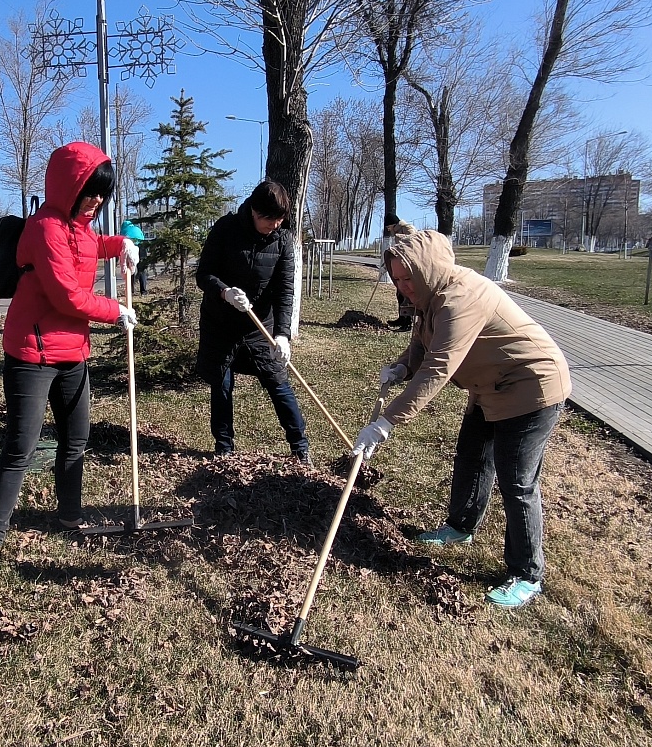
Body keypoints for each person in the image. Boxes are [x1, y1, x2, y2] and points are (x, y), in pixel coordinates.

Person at [351, 230, 571, 609]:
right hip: (490, 387)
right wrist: (402, 367)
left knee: (517, 483)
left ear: (428, 270)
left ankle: (527, 573)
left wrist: (387, 422)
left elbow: (438, 366)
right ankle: (461, 526)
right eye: (397, 280)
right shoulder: (430, 295)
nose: (403, 288)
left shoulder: (460, 299)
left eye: (408, 279)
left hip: (530, 387)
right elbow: (423, 344)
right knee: (471, 456)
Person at [0, 142, 139, 583]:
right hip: (33, 351)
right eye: (91, 191)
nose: (97, 200)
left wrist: (121, 244)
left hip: (73, 354)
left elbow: (89, 246)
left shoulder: (79, 226)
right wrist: (114, 311)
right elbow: (67, 295)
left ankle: (68, 517)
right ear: (70, 186)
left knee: (76, 441)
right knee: (20, 449)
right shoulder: (45, 228)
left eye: (103, 193)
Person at [195, 179, 310, 464]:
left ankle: (300, 448)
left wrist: (282, 334)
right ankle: (224, 448)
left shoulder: (283, 240)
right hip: (220, 322)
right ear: (254, 212)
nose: (275, 225)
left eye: (280, 219)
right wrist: (225, 292)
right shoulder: (225, 229)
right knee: (222, 384)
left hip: (260, 325)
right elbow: (203, 274)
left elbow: (285, 291)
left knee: (278, 382)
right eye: (269, 219)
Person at [377, 214, 416, 329]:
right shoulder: (398, 232)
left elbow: (412, 247)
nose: (388, 230)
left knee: (407, 295)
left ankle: (408, 323)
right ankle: (401, 318)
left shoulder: (408, 229)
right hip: (402, 268)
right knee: (400, 294)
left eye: (389, 227)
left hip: (410, 269)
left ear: (393, 224)